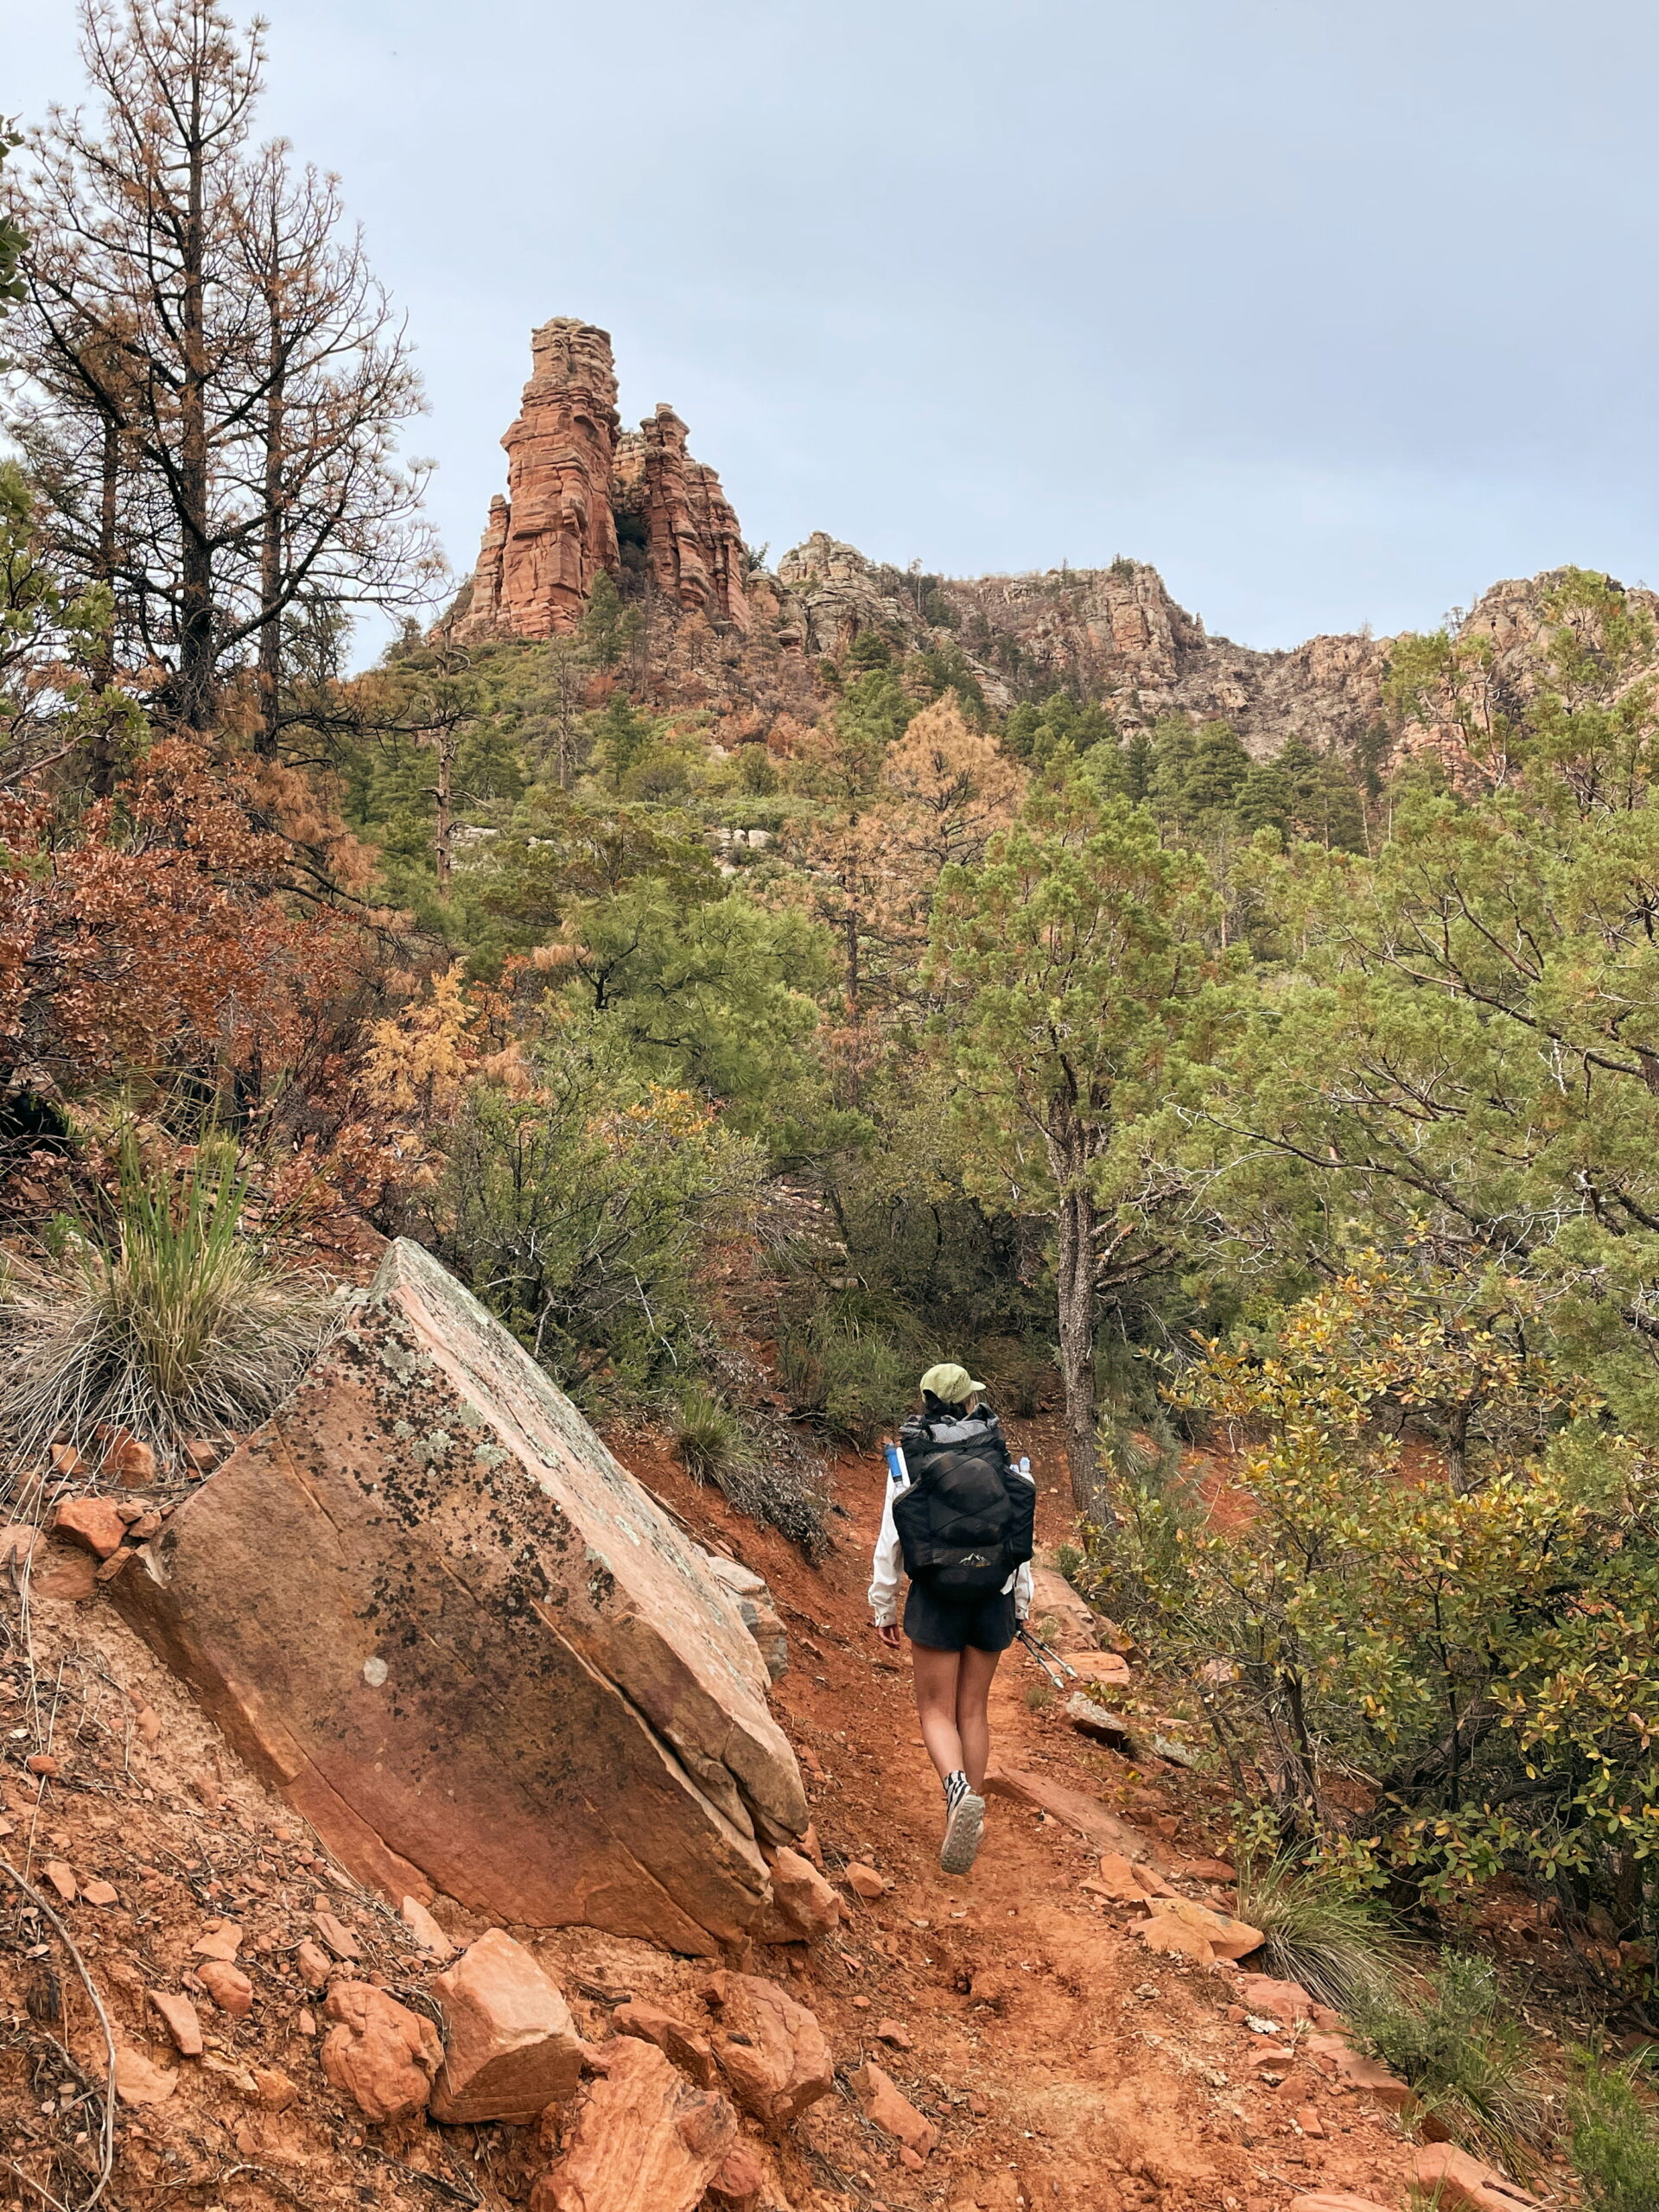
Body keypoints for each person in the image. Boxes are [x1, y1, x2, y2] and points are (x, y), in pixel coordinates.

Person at [868, 1363, 1036, 1874]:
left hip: (937, 1597)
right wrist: (1020, 1605)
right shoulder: (1005, 1459)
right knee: (974, 1712)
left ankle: (957, 1790)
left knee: (935, 1712)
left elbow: (891, 1540)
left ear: (925, 1401)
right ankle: (970, 1815)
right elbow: (1021, 1543)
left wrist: (884, 1604)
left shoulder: (909, 1462)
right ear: (970, 1402)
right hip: (993, 1597)